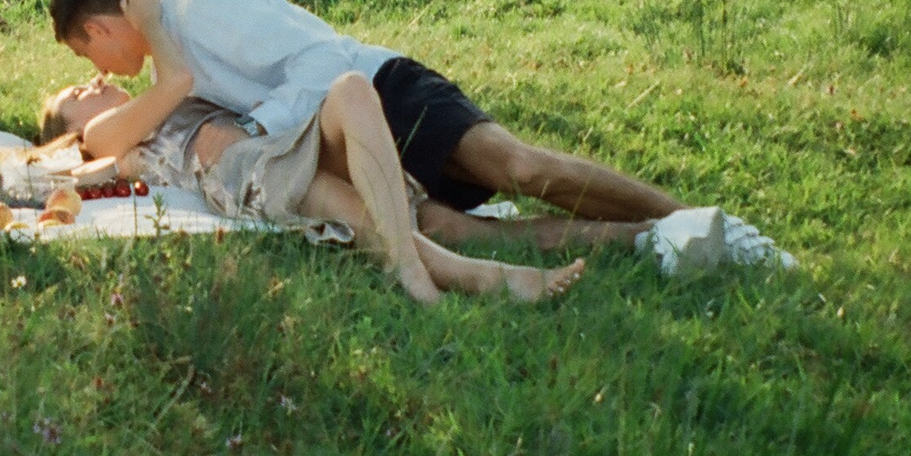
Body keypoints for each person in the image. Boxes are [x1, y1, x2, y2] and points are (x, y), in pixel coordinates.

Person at [45, 0, 756, 271]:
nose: (102, 74)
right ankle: (656, 238)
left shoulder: (201, 8)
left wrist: (264, 130)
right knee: (464, 231)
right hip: (343, 133)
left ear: (99, 30)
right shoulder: (174, 66)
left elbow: (323, 59)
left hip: (382, 89)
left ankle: (692, 214)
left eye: (90, 57)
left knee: (519, 167)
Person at [38, 75, 585, 305]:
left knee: (350, 89)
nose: (93, 82)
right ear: (71, 127)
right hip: (241, 173)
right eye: (76, 93)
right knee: (359, 210)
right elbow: (71, 176)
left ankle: (637, 233)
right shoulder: (104, 137)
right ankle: (475, 278)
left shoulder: (165, 99)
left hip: (283, 146)